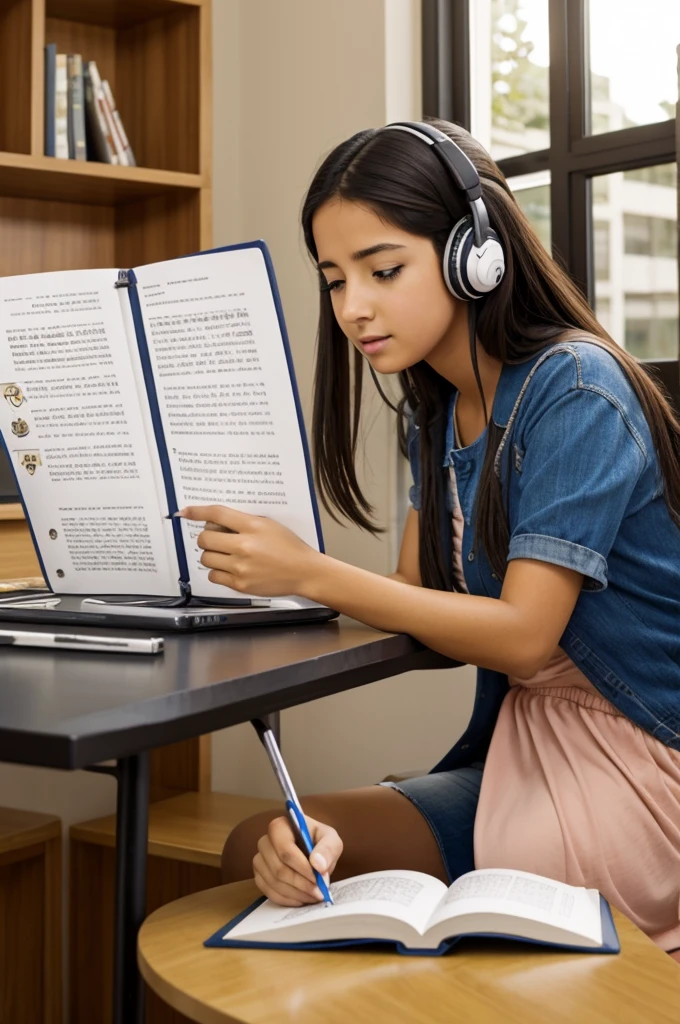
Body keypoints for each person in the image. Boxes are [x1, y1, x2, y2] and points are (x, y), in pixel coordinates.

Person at [178, 120, 680, 961]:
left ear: (473, 256)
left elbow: (524, 634)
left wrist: (314, 570)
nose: (352, 307)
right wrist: (270, 593)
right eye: (334, 281)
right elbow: (421, 606)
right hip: (527, 751)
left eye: (383, 270)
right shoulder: (440, 414)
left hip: (644, 765)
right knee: (268, 850)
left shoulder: (576, 388)